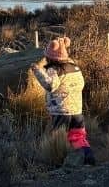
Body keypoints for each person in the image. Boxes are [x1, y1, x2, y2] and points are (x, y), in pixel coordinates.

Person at [30, 36, 96, 165]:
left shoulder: (54, 69)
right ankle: (89, 158)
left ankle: (58, 163)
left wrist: (37, 72)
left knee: (58, 139)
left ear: (50, 58)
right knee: (78, 137)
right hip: (76, 111)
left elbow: (50, 85)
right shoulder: (75, 67)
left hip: (60, 111)